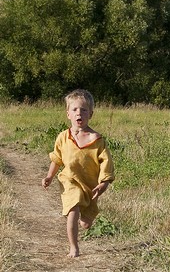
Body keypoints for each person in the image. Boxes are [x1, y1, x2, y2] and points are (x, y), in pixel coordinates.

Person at [42, 89, 115, 258]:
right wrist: (49, 176)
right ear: (68, 114)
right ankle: (74, 247)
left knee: (86, 224)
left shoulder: (97, 140)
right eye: (74, 109)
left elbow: (106, 163)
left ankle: (84, 217)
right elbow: (57, 159)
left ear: (91, 114)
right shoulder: (63, 137)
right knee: (73, 210)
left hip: (90, 186)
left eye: (83, 110)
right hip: (70, 180)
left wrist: (104, 183)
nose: (79, 113)